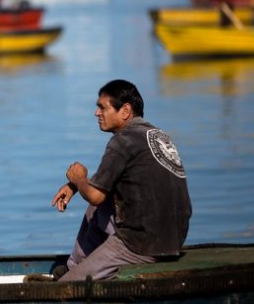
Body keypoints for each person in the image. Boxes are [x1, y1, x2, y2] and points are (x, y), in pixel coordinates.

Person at [50, 79, 192, 282]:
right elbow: (102, 192)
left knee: (66, 288)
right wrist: (76, 186)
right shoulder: (159, 136)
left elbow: (95, 196)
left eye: (102, 107)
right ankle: (77, 267)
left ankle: (74, 276)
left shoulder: (122, 141)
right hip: (174, 240)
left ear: (125, 110)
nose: (96, 113)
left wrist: (78, 177)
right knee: (101, 203)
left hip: (140, 243)